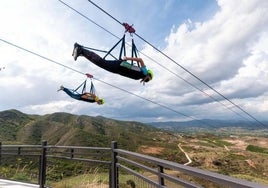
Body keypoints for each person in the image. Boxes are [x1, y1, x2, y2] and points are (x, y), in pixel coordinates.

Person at [72, 43, 153, 84]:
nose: (147, 81)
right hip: (120, 66)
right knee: (101, 62)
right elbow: (140, 60)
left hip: (118, 69)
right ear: (148, 75)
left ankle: (81, 52)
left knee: (101, 64)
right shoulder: (144, 72)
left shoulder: (140, 76)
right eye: (148, 79)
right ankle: (80, 49)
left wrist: (142, 79)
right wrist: (127, 58)